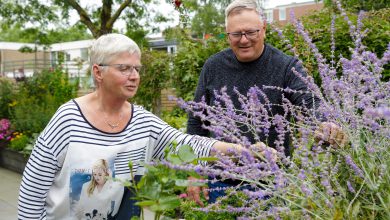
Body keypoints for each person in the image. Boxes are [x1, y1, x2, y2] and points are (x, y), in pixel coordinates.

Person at [17, 33, 254, 220]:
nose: (134, 76)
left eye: (137, 69)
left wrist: (243, 151)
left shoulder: (142, 122)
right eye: (124, 68)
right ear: (98, 72)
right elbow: (32, 191)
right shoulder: (67, 120)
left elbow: (188, 145)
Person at [186, 0, 347, 204]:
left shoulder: (286, 67)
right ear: (227, 35)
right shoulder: (213, 66)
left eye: (251, 32)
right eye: (236, 34)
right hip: (220, 184)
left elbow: (309, 101)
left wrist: (325, 122)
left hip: (271, 185)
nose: (244, 40)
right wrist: (192, 172)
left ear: (263, 29)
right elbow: (196, 123)